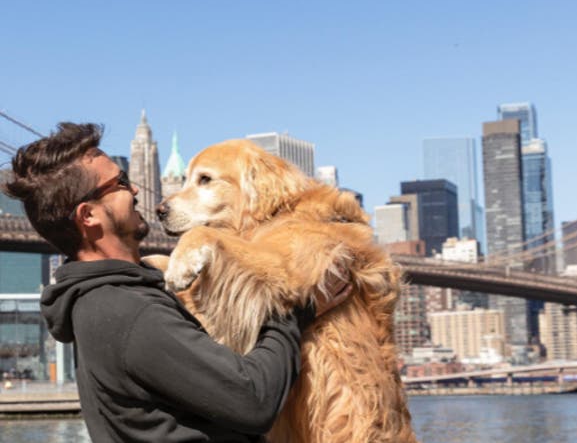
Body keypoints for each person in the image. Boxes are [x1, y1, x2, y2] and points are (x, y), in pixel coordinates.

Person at [4, 122, 352, 442]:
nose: (136, 188)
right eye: (120, 183)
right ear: (89, 215)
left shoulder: (115, 298)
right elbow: (253, 399)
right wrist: (298, 312)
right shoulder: (127, 311)